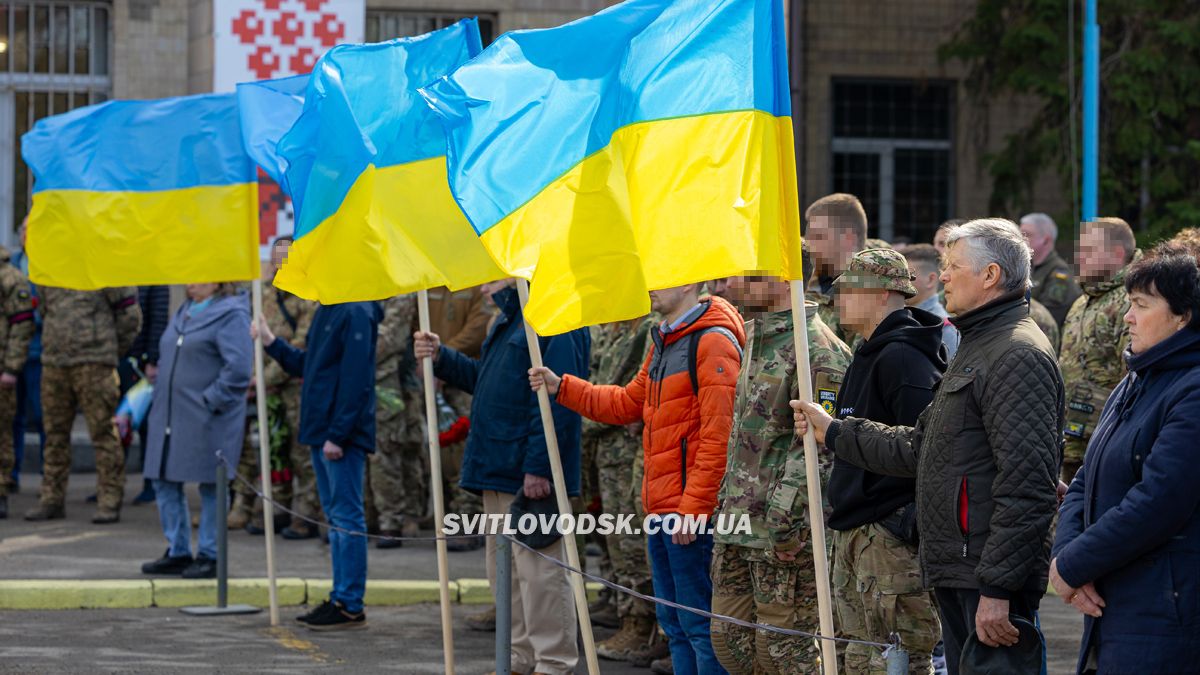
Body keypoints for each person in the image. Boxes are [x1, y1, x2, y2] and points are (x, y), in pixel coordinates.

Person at [792, 218, 1065, 675]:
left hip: (984, 579)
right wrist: (836, 432)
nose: (941, 277)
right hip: (960, 570)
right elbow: (924, 447)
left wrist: (998, 589)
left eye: (953, 266)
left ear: (991, 275)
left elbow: (1027, 488)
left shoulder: (1017, 353)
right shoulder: (980, 346)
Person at [529, 283, 744, 675]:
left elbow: (720, 436)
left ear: (690, 282)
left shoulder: (712, 341)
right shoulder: (665, 339)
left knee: (700, 628)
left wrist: (693, 508)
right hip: (664, 509)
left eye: (661, 277)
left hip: (687, 515)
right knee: (677, 626)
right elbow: (629, 403)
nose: (649, 287)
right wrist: (564, 387)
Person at [416, 278, 591, 674]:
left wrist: (540, 467)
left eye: (490, 279)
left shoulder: (554, 317)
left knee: (541, 576)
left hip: (527, 473)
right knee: (505, 576)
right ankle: (517, 657)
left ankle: (551, 663)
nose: (481, 290)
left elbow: (558, 402)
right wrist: (442, 356)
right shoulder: (508, 320)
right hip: (496, 467)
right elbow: (488, 384)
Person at [1051, 250, 1200, 674]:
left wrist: (1075, 564)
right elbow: (1085, 479)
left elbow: (1159, 501)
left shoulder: (1192, 390)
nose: (1127, 318)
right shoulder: (1135, 380)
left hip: (1163, 616)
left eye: (1140, 305)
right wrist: (1067, 559)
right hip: (1113, 606)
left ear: (1183, 316)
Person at [709, 273, 850, 674]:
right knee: (729, 641)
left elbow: (819, 451)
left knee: (784, 653)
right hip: (738, 522)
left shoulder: (819, 351)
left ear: (784, 278)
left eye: (748, 275)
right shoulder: (755, 337)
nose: (733, 283)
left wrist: (784, 523)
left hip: (782, 531)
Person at [826, 249, 945, 674]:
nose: (837, 300)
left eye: (847, 291)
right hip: (858, 529)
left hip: (888, 541)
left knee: (898, 662)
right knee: (860, 658)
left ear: (879, 294)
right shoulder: (869, 350)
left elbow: (924, 451)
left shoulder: (903, 358)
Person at [258, 298, 382, 631]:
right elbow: (311, 365)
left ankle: (349, 603)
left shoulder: (356, 310)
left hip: (337, 435)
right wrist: (272, 343)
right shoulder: (330, 308)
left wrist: (339, 434)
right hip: (322, 430)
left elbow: (357, 379)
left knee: (345, 518)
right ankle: (341, 598)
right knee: (337, 518)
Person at [139, 283, 252, 579]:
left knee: (211, 484)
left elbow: (239, 369)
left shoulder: (231, 314)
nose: (190, 281)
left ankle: (210, 554)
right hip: (169, 414)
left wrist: (210, 400)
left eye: (198, 274)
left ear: (218, 280)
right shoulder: (185, 310)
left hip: (207, 416)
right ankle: (177, 550)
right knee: (163, 479)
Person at [25, 286, 141, 524]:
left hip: (95, 364)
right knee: (54, 435)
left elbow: (130, 316)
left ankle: (109, 499)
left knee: (103, 434)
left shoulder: (102, 266)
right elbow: (47, 310)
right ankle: (51, 498)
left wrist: (108, 349)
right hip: (55, 363)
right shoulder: (53, 268)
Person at [583, 316, 660, 663]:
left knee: (634, 546)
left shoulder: (649, 327)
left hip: (626, 449)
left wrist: (577, 418)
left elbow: (627, 395)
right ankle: (629, 614)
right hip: (609, 451)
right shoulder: (618, 330)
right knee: (618, 543)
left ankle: (641, 623)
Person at [231, 236, 319, 538]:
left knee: (301, 453)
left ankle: (306, 515)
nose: (278, 263)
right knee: (273, 451)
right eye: (275, 257)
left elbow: (300, 345)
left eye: (285, 256)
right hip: (266, 390)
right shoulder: (264, 295)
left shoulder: (309, 297)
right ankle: (278, 509)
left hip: (293, 386)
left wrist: (263, 379)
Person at [1058, 217, 1138, 483]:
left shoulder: (1132, 301)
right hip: (1070, 443)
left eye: (1088, 251)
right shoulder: (1082, 302)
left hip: (1105, 445)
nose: (1079, 258)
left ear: (1116, 254)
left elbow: (1133, 381)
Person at [424, 285, 493, 554]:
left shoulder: (475, 283)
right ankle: (445, 517)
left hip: (465, 377)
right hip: (432, 379)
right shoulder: (428, 283)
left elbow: (478, 327)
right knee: (439, 455)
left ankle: (468, 523)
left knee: (464, 453)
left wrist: (445, 356)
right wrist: (427, 360)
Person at [368, 293, 425, 547]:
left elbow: (389, 339)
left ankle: (395, 520)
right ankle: (376, 515)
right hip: (365, 381)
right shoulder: (360, 285)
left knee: (392, 450)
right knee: (375, 451)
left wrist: (351, 352)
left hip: (393, 385)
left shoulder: (401, 292)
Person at [121, 285, 170, 505]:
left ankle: (150, 482)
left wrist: (153, 358)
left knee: (148, 426)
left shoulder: (153, 274)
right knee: (118, 422)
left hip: (142, 363)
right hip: (120, 357)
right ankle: (111, 484)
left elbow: (158, 317)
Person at [803, 193, 868, 342]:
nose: (808, 244)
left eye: (818, 236)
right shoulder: (806, 284)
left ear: (848, 238)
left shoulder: (868, 294)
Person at [0, 245, 35, 519]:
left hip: (2, 370)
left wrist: (12, 367)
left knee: (3, 434)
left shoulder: (11, 278)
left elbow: (23, 324)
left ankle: (1, 490)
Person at [11, 219, 43, 492]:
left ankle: (50, 478)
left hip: (38, 354)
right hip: (10, 357)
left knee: (45, 418)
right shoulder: (11, 264)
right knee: (13, 418)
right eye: (23, 231)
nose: (26, 236)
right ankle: (11, 474)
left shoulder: (49, 266)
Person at [1020, 212, 1082, 327]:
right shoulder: (1028, 268)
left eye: (1027, 235)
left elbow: (1048, 316)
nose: (1021, 239)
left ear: (1046, 240)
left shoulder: (1058, 273)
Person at [904, 243, 960, 360]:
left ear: (930, 280)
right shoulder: (900, 317)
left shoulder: (944, 329)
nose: (899, 283)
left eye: (907, 276)